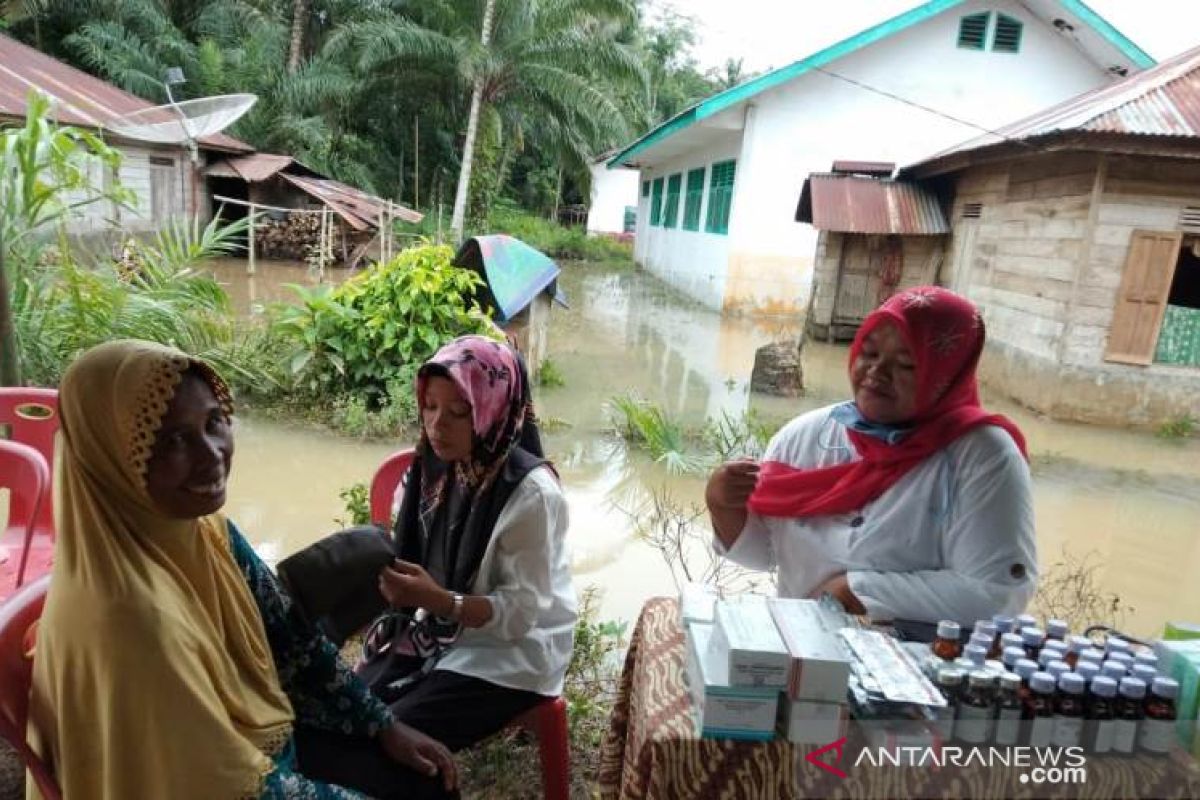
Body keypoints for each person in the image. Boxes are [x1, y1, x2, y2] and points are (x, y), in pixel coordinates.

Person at [28, 340, 458, 800]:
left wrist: (382, 726)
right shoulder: (129, 621)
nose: (211, 453)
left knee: (427, 781)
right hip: (214, 781)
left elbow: (289, 636)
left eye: (214, 422)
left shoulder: (204, 530)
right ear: (113, 460)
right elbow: (228, 788)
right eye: (173, 439)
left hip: (249, 743)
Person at [706, 286, 1036, 626]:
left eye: (906, 364)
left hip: (915, 666)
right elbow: (766, 555)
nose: (877, 371)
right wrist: (723, 505)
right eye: (869, 352)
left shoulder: (983, 457)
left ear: (947, 374)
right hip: (803, 651)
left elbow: (998, 594)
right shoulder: (804, 437)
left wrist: (858, 591)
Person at [356, 335, 576, 752]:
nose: (437, 425)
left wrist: (439, 600)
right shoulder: (431, 468)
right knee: (354, 710)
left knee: (393, 737)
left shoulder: (531, 496)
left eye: (459, 412)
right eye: (430, 406)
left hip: (511, 654)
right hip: (439, 629)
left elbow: (519, 617)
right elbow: (408, 550)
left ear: (492, 411)